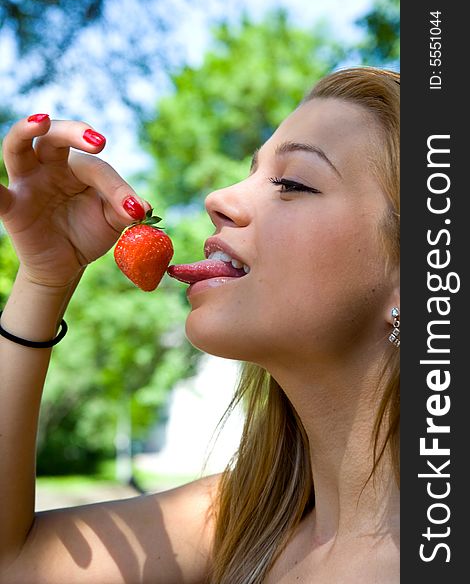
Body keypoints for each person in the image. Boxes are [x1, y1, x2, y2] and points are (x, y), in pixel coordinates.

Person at [0, 66, 400, 583]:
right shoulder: (242, 518)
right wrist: (43, 281)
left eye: (293, 182)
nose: (219, 198)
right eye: (250, 172)